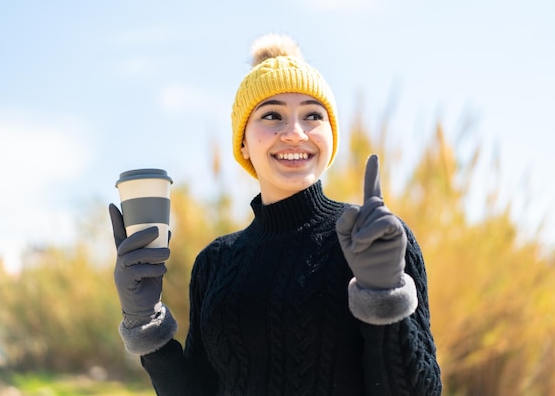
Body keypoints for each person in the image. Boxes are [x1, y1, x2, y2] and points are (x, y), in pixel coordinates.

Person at [109, 33, 442, 395]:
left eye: (313, 116)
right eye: (272, 115)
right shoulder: (216, 263)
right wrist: (145, 322)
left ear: (330, 137)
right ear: (243, 143)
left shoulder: (375, 238)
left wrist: (385, 296)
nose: (296, 134)